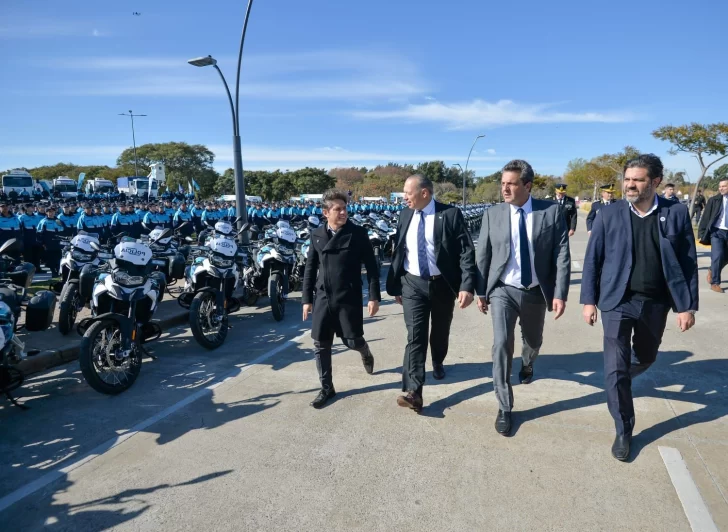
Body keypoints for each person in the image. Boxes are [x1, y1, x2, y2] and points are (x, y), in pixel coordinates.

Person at [581, 154, 698, 461]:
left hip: (656, 302)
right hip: (616, 301)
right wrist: (588, 300)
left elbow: (687, 262)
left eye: (637, 179)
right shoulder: (610, 214)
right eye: (627, 179)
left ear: (655, 182)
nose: (629, 184)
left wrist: (687, 306)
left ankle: (616, 378)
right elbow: (593, 259)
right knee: (616, 367)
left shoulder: (676, 212)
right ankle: (624, 428)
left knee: (646, 357)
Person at [475, 160, 570, 435]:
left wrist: (560, 294)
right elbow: (483, 255)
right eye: (502, 183)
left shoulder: (551, 212)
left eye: (511, 183)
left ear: (527, 186)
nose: (505, 188)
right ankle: (505, 406)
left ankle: (528, 363)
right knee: (501, 344)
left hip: (535, 293)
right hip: (503, 289)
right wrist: (481, 290)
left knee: (533, 341)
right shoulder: (492, 214)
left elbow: (561, 254)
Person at [386, 175, 476, 413]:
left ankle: (437, 359)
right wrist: (398, 285)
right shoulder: (405, 215)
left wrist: (466, 285)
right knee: (415, 336)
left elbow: (466, 252)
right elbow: (400, 251)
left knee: (440, 330)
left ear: (424, 193)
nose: (404, 197)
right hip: (412, 284)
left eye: (408, 192)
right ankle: (414, 391)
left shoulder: (450, 215)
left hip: (442, 285)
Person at [302, 189, 380, 409]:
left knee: (351, 341)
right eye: (338, 209)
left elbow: (372, 269)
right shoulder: (317, 234)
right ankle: (327, 388)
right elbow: (310, 268)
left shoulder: (358, 234)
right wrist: (307, 299)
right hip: (324, 297)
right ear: (326, 212)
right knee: (320, 343)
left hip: (348, 297)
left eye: (345, 208)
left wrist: (373, 297)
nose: (344, 212)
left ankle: (365, 351)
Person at [697, 178, 728, 293]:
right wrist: (701, 232)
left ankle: (712, 269)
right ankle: (715, 283)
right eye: (720, 186)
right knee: (717, 256)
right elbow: (705, 217)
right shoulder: (714, 200)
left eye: (724, 186)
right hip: (717, 232)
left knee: (725, 258)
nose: (721, 188)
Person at [36, 205, 65, 277]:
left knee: (59, 258)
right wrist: (42, 243)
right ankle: (53, 272)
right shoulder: (43, 222)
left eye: (53, 212)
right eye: (49, 212)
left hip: (58, 243)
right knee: (51, 259)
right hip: (49, 243)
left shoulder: (59, 221)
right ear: (46, 213)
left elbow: (64, 231)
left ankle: (58, 271)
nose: (51, 213)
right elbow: (39, 234)